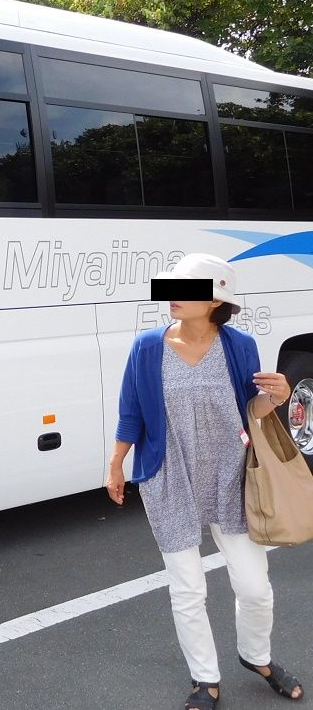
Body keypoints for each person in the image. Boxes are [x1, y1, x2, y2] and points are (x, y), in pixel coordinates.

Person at [106, 253, 303, 709]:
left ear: (216, 299)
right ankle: (205, 679)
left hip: (230, 476)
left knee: (256, 587)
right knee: (188, 588)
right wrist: (117, 463)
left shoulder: (240, 346)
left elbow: (249, 411)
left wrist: (277, 398)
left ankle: (256, 657)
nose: (171, 295)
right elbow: (131, 411)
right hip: (170, 476)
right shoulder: (147, 347)